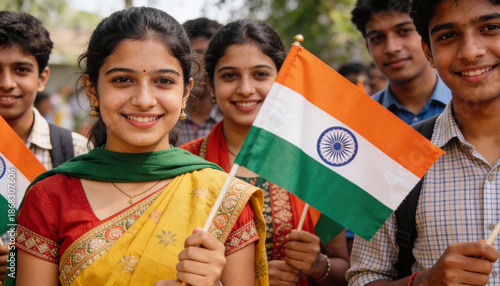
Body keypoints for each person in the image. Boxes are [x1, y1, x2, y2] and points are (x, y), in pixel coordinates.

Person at [11, 7, 268, 286]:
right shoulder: (49, 197)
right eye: (123, 80)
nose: (144, 99)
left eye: (163, 81)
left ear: (184, 93)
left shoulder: (225, 198)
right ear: (92, 89)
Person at [180, 19, 350, 285]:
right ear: (212, 86)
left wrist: (318, 266)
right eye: (229, 75)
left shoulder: (315, 165)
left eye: (260, 74)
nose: (245, 88)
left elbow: (346, 267)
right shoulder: (185, 164)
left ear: (282, 81)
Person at [347, 0, 500, 285]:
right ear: (429, 51)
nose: (471, 51)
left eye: (490, 28)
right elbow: (363, 278)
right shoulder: (393, 154)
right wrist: (424, 281)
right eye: (448, 36)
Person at [0, 11, 88, 283]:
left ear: (42, 78)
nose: (7, 83)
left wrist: (30, 261)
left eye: (21, 69)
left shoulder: (76, 151)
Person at [351, 0, 451, 125]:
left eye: (404, 31)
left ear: (426, 36)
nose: (391, 48)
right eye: (378, 38)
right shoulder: (359, 120)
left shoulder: (469, 105)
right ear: (368, 49)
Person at [176, 17, 224, 146]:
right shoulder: (166, 117)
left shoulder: (234, 117)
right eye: (190, 56)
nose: (196, 64)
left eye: (204, 55)